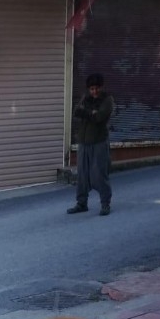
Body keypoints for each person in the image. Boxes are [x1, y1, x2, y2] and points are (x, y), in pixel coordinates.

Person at [67, 73, 114, 217]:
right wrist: (90, 113)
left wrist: (86, 113)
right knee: (82, 174)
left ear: (101, 87)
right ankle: (82, 203)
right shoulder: (85, 98)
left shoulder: (107, 100)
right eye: (92, 89)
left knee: (99, 173)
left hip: (99, 141)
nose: (94, 91)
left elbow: (100, 117)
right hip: (84, 142)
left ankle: (105, 203)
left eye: (96, 88)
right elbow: (76, 111)